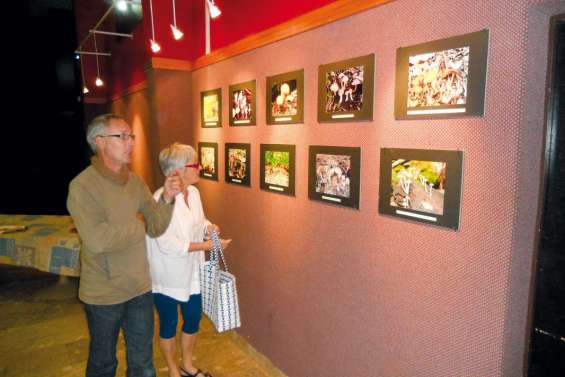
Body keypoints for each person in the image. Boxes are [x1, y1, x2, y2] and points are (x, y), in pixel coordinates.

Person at [67, 114, 182, 377]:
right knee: (103, 364)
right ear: (100, 142)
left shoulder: (135, 181)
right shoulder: (82, 186)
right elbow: (97, 241)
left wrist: (167, 198)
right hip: (103, 294)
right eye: (122, 136)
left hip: (139, 288)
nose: (130, 142)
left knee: (143, 364)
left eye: (131, 136)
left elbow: (155, 226)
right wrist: (139, 224)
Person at [146, 143, 232, 377]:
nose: (200, 168)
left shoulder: (193, 193)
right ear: (178, 171)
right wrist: (207, 245)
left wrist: (209, 228)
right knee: (169, 323)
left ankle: (187, 364)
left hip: (192, 271)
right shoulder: (159, 201)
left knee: (193, 317)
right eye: (195, 164)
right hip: (168, 274)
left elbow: (199, 221)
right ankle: (173, 370)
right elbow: (168, 244)